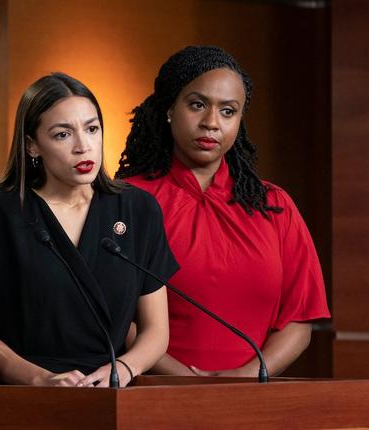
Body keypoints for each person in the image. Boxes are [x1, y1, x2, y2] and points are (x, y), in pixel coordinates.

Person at [116, 45, 330, 377]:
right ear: (169, 108)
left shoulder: (274, 205)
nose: (212, 122)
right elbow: (116, 313)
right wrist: (183, 382)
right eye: (197, 105)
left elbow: (299, 320)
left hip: (251, 402)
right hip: (152, 396)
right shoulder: (127, 200)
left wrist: (243, 378)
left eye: (228, 111)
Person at [0, 72, 176, 388]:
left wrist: (123, 370)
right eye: (63, 135)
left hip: (112, 397)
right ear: (32, 146)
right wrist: (39, 379)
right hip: (20, 398)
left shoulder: (138, 209)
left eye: (92, 129)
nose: (83, 146)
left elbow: (156, 331)